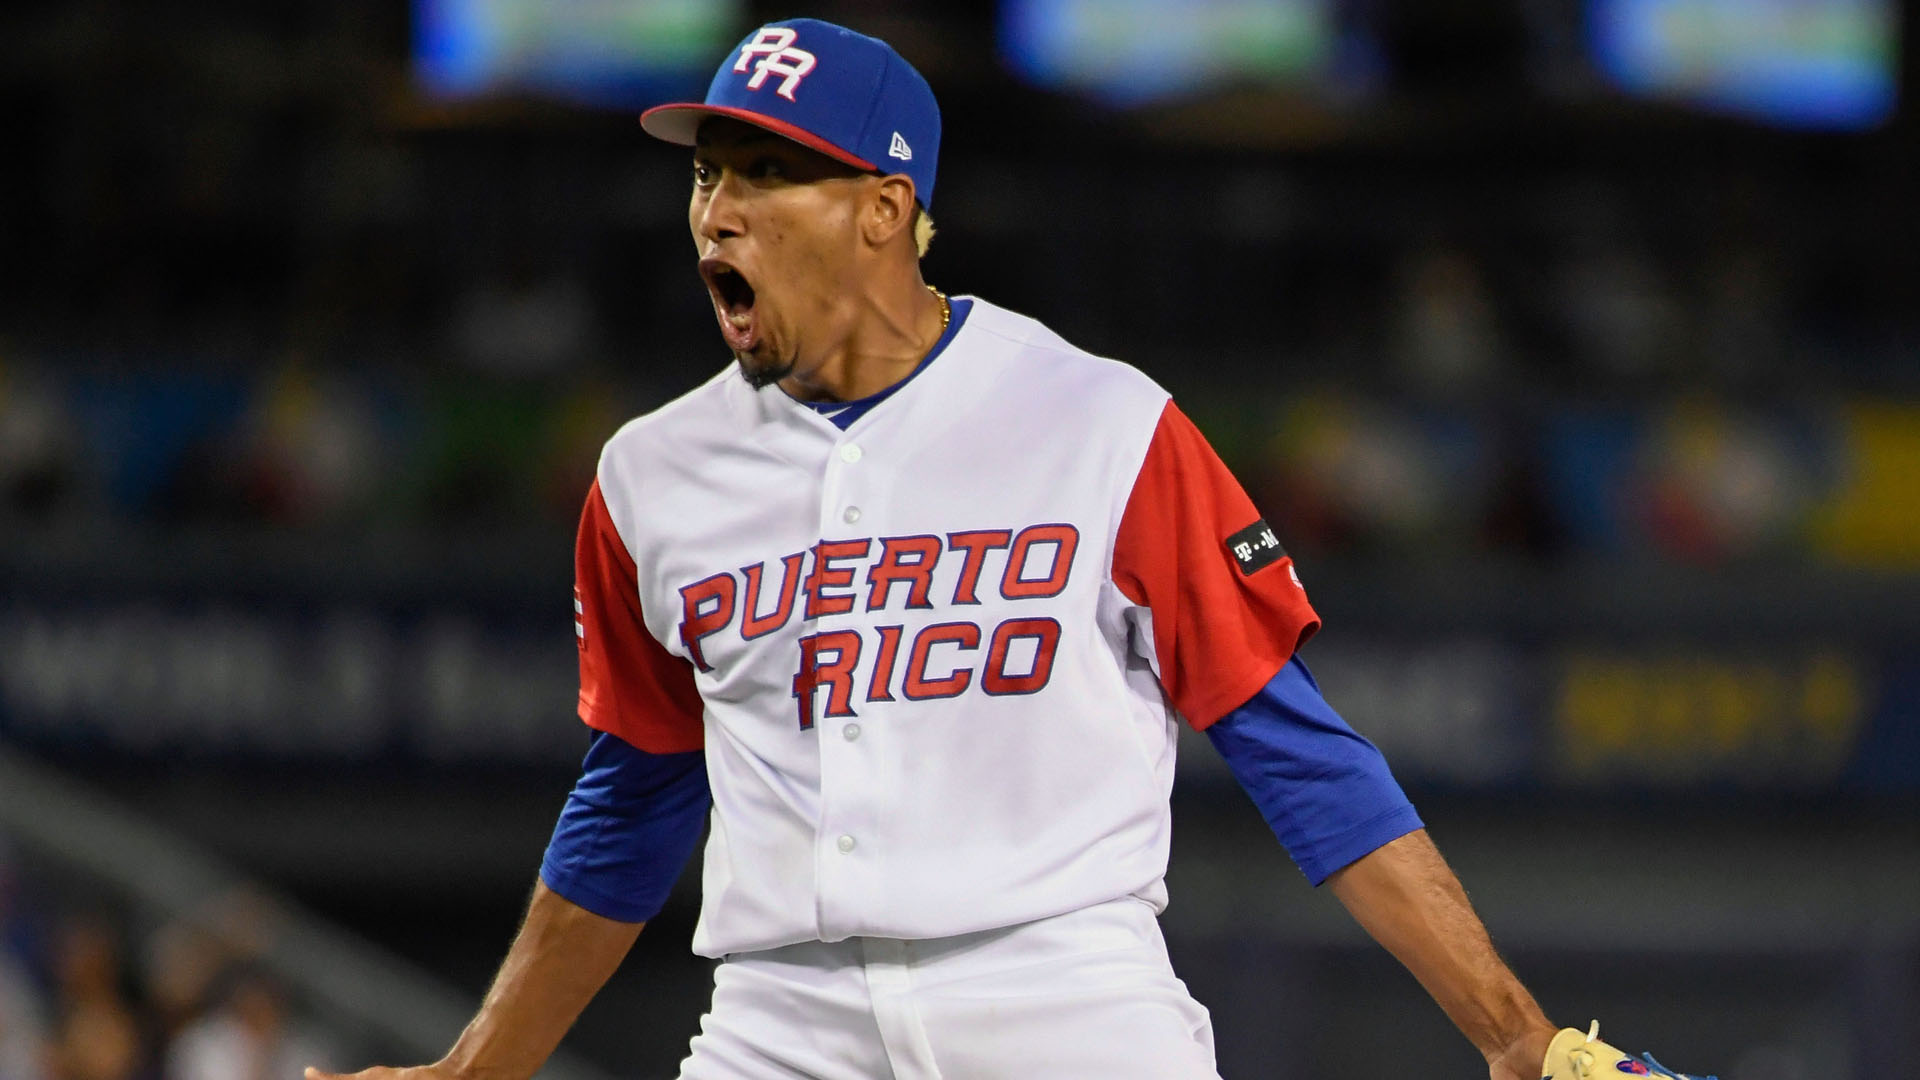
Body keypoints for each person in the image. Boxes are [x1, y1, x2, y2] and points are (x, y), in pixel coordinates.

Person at [312, 20, 1709, 1080]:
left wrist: (1517, 1037)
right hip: (777, 1025)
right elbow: (634, 795)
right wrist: (473, 1071)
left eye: (769, 173)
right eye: (709, 174)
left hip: (1067, 1005)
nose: (716, 209)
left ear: (882, 209)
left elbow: (1301, 754)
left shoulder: (1102, 423)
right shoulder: (648, 476)